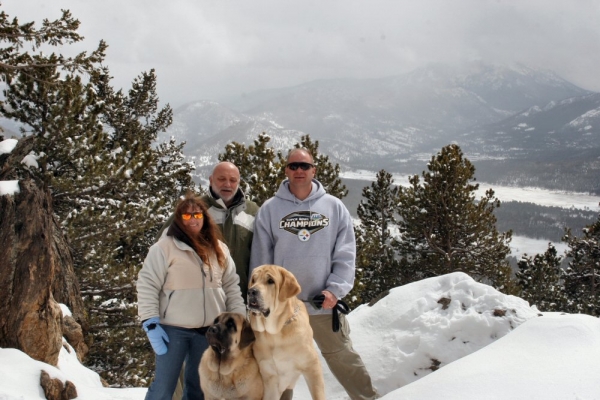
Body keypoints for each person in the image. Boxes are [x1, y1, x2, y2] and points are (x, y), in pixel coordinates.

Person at [250, 148, 378, 400]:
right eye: (294, 166)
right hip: (282, 311)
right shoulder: (270, 209)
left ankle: (369, 398)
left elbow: (345, 254)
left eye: (304, 166)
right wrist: (263, 302)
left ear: (314, 170)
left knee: (342, 358)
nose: (299, 171)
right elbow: (261, 261)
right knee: (279, 368)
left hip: (323, 304)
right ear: (286, 170)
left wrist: (335, 290)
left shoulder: (334, 207)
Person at [138, 192, 246, 400]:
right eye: (187, 216)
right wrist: (150, 322)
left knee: (199, 389)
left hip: (209, 333)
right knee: (163, 388)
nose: (193, 219)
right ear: (179, 220)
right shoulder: (164, 248)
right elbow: (147, 284)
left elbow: (232, 286)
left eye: (197, 215)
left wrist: (239, 320)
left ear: (205, 218)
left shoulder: (219, 249)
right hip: (173, 330)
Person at [158, 161, 259, 300]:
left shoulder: (253, 211)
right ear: (211, 180)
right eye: (221, 179)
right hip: (200, 301)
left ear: (239, 182)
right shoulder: (193, 209)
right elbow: (161, 248)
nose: (227, 184)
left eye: (233, 180)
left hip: (241, 299)